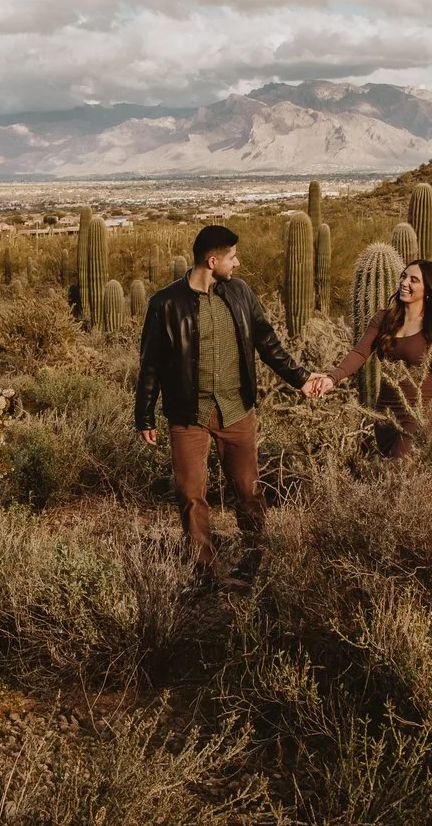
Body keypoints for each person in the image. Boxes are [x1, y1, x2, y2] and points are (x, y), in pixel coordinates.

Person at [136, 223, 333, 583]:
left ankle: (256, 562)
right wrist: (144, 414)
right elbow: (150, 363)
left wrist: (302, 379)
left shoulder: (240, 293)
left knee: (248, 490)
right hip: (188, 414)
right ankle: (205, 573)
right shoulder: (165, 303)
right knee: (191, 496)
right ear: (212, 261)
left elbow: (268, 343)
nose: (237, 263)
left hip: (236, 409)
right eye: (232, 257)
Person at [323, 258, 432, 460]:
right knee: (389, 478)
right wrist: (332, 378)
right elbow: (360, 353)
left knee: (400, 472)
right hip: (385, 415)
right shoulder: (383, 319)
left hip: (419, 416)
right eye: (404, 276)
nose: (405, 283)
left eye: (414, 280)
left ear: (428, 289)